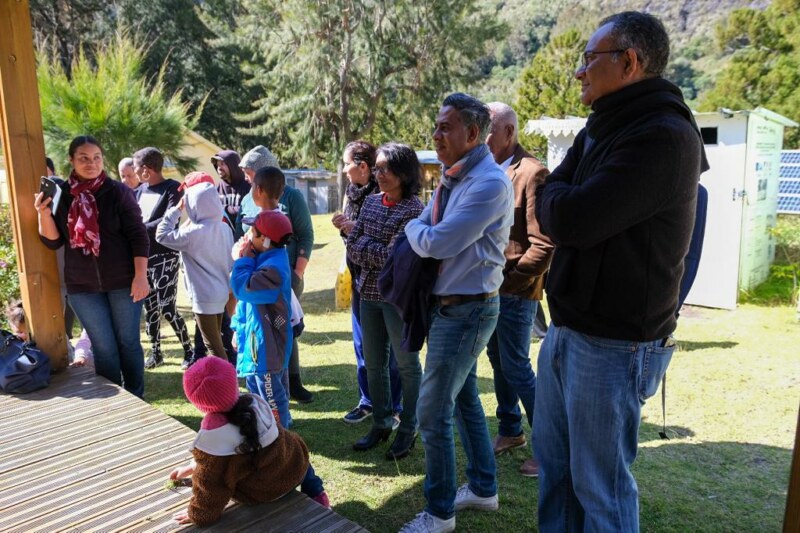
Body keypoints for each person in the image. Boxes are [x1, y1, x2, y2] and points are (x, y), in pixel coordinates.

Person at [533, 12, 709, 532]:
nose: (579, 71)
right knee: (557, 476)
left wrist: (558, 199)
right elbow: (552, 195)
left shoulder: (663, 136)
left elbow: (571, 218)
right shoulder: (602, 127)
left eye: (590, 59)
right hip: (567, 329)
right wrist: (558, 199)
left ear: (629, 62)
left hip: (614, 344)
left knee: (601, 492)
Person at [400, 93, 513, 533]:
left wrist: (411, 225)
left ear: (472, 133)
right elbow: (434, 231)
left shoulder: (488, 183)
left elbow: (436, 241)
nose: (435, 135)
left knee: (432, 414)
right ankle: (483, 488)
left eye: (445, 127)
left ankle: (440, 512)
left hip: (468, 311)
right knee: (464, 402)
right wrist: (423, 226)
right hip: (451, 309)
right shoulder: (456, 177)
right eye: (436, 125)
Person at [35, 135, 150, 398]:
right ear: (71, 160)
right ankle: (116, 400)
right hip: (82, 286)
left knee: (128, 342)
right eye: (84, 158)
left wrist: (141, 276)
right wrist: (43, 214)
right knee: (103, 347)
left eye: (97, 157)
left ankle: (136, 396)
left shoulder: (118, 192)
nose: (92, 163)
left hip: (124, 281)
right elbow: (53, 242)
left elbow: (138, 236)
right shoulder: (62, 194)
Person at [168, 356, 329, 526]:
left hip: (264, 491)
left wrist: (198, 513)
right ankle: (317, 492)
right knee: (295, 449)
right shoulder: (254, 403)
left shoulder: (214, 435)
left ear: (198, 402)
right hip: (294, 467)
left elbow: (211, 484)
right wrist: (193, 466)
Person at [484, 102, 554, 478]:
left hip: (515, 290)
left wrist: (509, 284)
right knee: (499, 361)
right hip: (488, 290)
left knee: (515, 365)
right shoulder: (485, 170)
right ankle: (511, 429)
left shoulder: (532, 172)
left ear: (509, 132)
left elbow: (543, 245)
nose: (479, 138)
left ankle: (550, 448)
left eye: (486, 130)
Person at [347, 142, 423, 460]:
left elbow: (396, 257)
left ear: (404, 172)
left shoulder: (415, 210)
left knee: (406, 365)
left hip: (397, 300)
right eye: (377, 168)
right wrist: (373, 246)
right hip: (368, 295)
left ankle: (409, 428)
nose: (379, 174)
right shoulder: (370, 203)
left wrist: (368, 245)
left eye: (386, 168)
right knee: (374, 364)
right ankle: (380, 424)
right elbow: (352, 246)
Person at [332, 140, 403, 425]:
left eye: (346, 163)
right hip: (359, 279)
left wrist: (355, 232)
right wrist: (346, 229)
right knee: (363, 346)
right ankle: (368, 401)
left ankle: (395, 406)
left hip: (386, 284)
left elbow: (388, 247)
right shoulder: (352, 193)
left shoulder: (385, 195)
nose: (344, 170)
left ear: (362, 166)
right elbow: (355, 239)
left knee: (391, 350)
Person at [155, 177, 234, 363]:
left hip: (204, 297)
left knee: (213, 347)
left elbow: (161, 234)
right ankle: (226, 375)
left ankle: (228, 379)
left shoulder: (191, 234)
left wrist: (177, 209)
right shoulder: (224, 228)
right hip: (222, 292)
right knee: (218, 341)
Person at [230, 206, 295, 428]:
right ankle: (265, 432)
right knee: (257, 395)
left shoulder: (274, 269)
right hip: (256, 344)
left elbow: (243, 288)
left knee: (272, 398)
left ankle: (280, 437)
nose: (247, 235)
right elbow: (245, 305)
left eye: (252, 231)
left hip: (267, 349)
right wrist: (237, 328)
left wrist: (240, 260)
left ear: (265, 240)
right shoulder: (263, 258)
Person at [133, 147, 194, 370]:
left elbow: (168, 220)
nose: (135, 173)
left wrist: (138, 230)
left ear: (147, 170)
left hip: (166, 256)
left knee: (167, 307)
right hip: (144, 258)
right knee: (150, 308)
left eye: (136, 168)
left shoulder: (172, 189)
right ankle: (156, 353)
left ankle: (189, 351)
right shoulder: (139, 191)